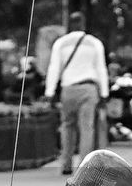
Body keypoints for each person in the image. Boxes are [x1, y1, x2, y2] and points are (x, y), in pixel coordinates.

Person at [44, 12, 109, 174]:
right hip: (89, 89)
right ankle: (84, 167)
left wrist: (50, 91)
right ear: (83, 24)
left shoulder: (61, 43)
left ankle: (66, 164)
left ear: (69, 24)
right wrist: (105, 93)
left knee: (67, 126)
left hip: (68, 89)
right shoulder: (94, 43)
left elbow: (54, 68)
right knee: (86, 127)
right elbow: (101, 68)